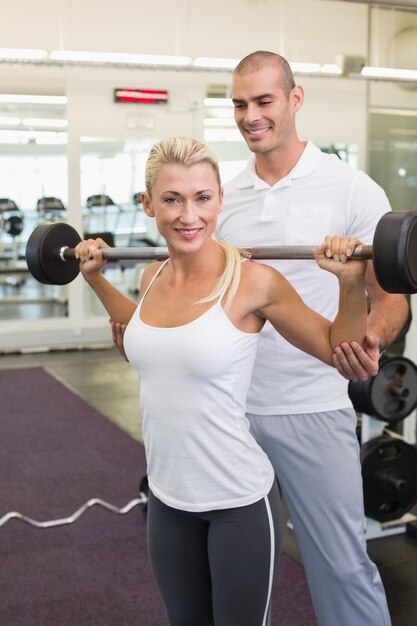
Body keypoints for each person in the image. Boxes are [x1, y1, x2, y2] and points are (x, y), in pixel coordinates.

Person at [76, 136, 369, 626]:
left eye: (202, 198)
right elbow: (147, 334)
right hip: (168, 498)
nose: (189, 215)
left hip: (238, 504)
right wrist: (97, 280)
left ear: (219, 201)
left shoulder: (254, 282)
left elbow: (342, 353)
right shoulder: (151, 279)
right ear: (148, 204)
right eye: (172, 199)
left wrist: (351, 281)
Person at [215, 51, 410, 626]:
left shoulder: (352, 190)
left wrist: (366, 340)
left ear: (294, 100)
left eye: (263, 101)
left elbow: (392, 296)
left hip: (313, 406)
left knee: (342, 567)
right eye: (240, 104)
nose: (251, 115)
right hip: (231, 411)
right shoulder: (224, 201)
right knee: (240, 571)